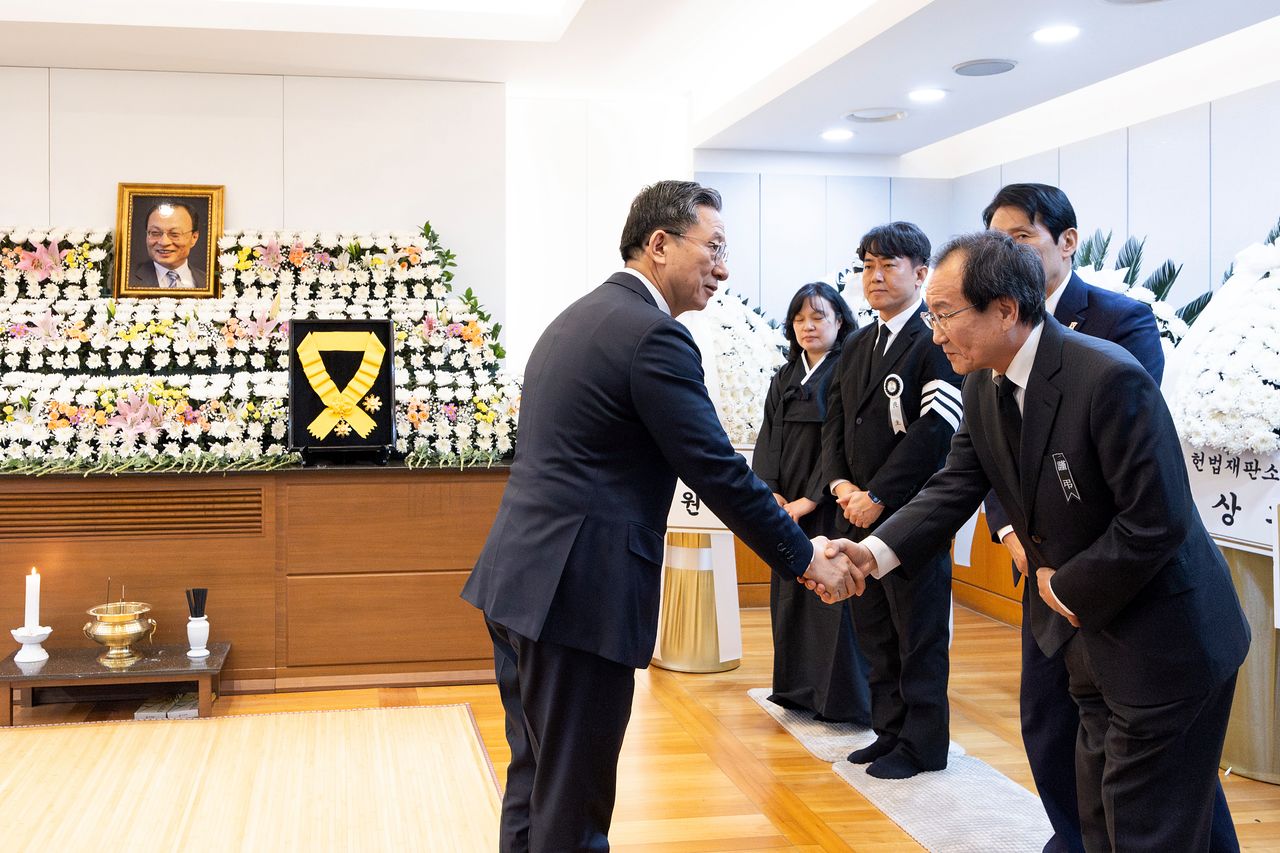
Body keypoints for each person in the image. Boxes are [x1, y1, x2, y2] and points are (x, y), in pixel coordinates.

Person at [461, 180, 861, 853]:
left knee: (535, 779)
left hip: (520, 582)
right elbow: (717, 469)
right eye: (714, 247)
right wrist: (805, 557)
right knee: (575, 802)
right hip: (579, 596)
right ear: (659, 244)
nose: (724, 269)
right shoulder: (653, 336)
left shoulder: (576, 318)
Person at [821, 230, 1250, 852]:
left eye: (945, 314)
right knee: (1103, 817)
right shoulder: (983, 384)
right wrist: (872, 553)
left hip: (1163, 641)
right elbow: (953, 486)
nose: (936, 335)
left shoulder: (1107, 377)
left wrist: (1062, 586)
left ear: (1005, 310)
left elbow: (1156, 521)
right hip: (1086, 640)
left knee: (1144, 825)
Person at [982, 183, 1237, 853]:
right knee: (1056, 729)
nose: (1004, 253)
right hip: (1049, 579)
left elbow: (1132, 479)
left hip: (1126, 588)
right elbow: (985, 461)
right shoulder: (985, 360)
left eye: (1019, 238)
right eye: (995, 241)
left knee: (1158, 777)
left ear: (1067, 241)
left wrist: (1068, 581)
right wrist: (1008, 530)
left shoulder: (1118, 330)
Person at [820, 222, 963, 779]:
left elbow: (937, 428)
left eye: (888, 265)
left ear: (921, 273)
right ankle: (890, 732)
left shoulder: (935, 337)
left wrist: (880, 495)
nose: (875, 277)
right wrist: (841, 486)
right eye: (867, 266)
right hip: (855, 512)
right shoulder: (858, 343)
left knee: (918, 634)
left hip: (911, 515)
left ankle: (923, 745)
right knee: (875, 631)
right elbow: (835, 424)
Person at [753, 281, 870, 724]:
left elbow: (842, 443)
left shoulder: (848, 371)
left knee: (831, 600)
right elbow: (768, 439)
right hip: (786, 507)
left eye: (818, 317)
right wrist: (770, 492)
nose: (808, 326)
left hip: (829, 503)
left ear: (840, 321)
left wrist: (810, 499)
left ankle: (838, 700)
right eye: (800, 319)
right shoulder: (784, 377)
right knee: (791, 596)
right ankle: (797, 691)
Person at [130, 200, 207, 289]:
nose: (164, 242)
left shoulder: (209, 282)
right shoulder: (125, 280)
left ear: (194, 238)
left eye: (174, 234)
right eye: (155, 233)